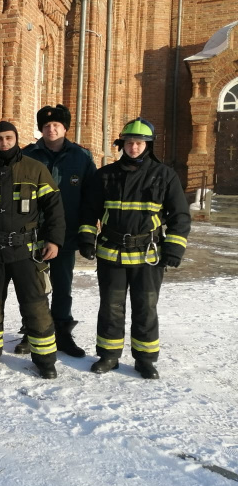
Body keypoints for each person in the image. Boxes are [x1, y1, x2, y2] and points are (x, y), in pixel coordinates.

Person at [78, 118, 190, 380]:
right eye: (130, 143)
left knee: (146, 307)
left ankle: (145, 359)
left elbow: (180, 216)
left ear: (148, 145)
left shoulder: (164, 175)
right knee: (111, 307)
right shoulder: (105, 175)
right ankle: (108, 355)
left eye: (140, 143)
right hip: (111, 253)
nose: (134, 147)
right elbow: (88, 211)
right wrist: (86, 238)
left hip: (148, 255)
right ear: (122, 144)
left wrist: (174, 247)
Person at [0, 121, 65, 379]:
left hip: (26, 251)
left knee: (36, 307)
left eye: (8, 138)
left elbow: (54, 209)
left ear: (16, 139)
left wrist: (54, 240)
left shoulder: (35, 169)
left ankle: (45, 359)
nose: (4, 143)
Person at [21, 104, 97, 357]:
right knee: (33, 285)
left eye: (56, 125)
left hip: (66, 233)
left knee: (62, 285)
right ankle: (32, 330)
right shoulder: (27, 155)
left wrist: (88, 233)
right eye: (46, 126)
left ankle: (63, 332)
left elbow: (91, 197)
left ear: (65, 128)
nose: (51, 129)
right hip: (32, 232)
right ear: (40, 129)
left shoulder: (81, 157)